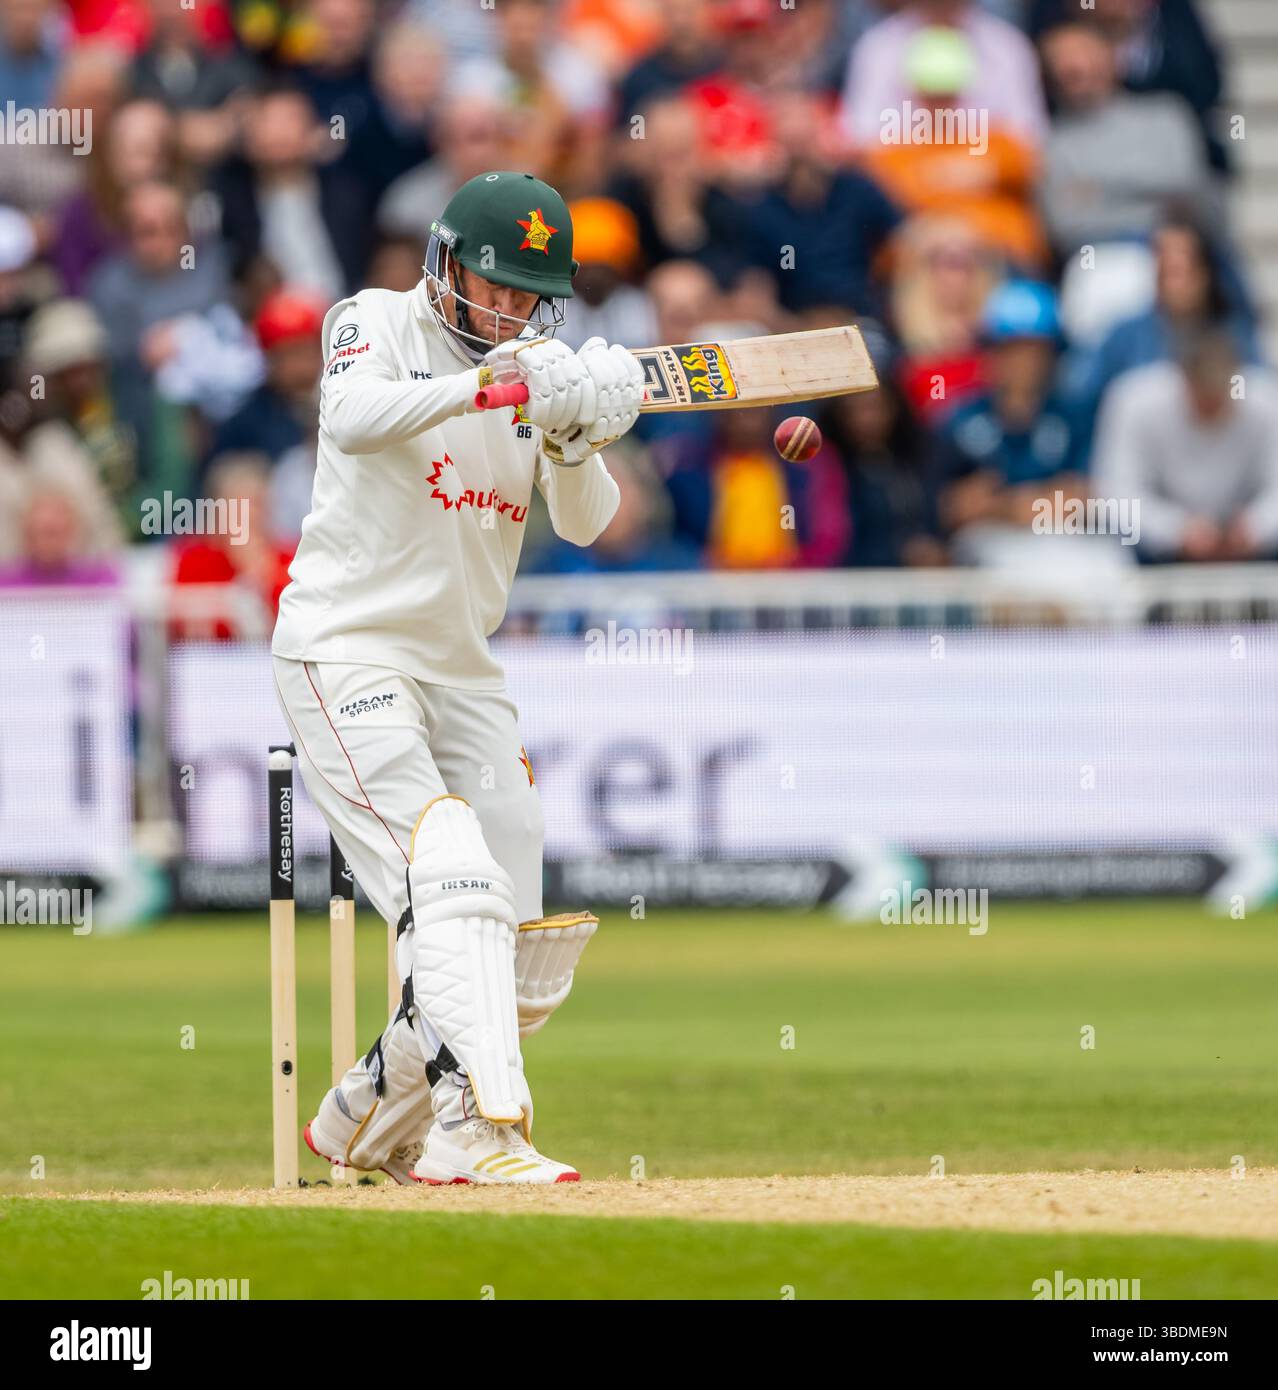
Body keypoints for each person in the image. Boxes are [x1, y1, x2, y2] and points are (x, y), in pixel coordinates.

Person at [272, 171, 645, 1185]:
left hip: (466, 671)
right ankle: (473, 1132)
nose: (512, 312)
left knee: (520, 947)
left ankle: (361, 1112)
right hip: (349, 646)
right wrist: (501, 385)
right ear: (444, 266)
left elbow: (585, 521)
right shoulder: (373, 322)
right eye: (495, 286)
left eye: (532, 296)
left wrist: (574, 434)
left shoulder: (534, 367)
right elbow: (351, 416)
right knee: (449, 879)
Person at [1091, 331, 1278, 562]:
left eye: (1220, 396)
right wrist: (1176, 530)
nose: (1212, 405)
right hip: (1152, 556)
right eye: (1204, 397)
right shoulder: (1134, 399)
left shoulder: (1267, 400)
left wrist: (1255, 527)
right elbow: (1117, 495)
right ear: (1183, 379)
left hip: (1257, 555)